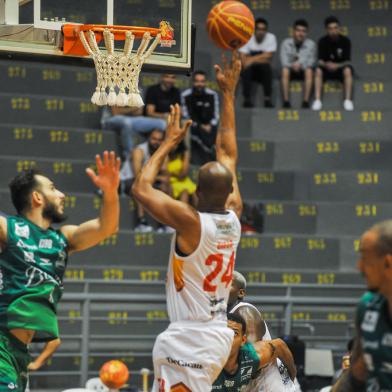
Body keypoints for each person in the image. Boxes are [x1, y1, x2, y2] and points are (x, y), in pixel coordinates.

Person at [132, 52, 243, 391]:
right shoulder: (234, 216)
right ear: (228, 194)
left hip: (190, 339)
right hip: (212, 334)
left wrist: (167, 144)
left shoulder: (191, 222)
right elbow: (227, 153)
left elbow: (140, 188)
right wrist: (227, 95)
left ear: (195, 191)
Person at [0, 151, 120, 392]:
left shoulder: (62, 238)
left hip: (20, 351)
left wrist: (110, 192)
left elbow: (106, 227)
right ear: (37, 197)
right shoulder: (8, 228)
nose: (62, 194)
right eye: (53, 188)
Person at [332, 220, 392, 392]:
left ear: (388, 263)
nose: (359, 267)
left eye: (365, 258)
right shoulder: (367, 308)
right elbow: (357, 373)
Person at [229, 271, 300, 392]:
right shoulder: (223, 318)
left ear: (240, 292)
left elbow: (251, 362)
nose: (221, 288)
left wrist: (290, 380)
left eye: (227, 284)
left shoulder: (244, 311)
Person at [212, 313, 297, 391]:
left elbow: (279, 345)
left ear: (243, 340)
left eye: (234, 333)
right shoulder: (205, 362)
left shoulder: (252, 356)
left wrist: (292, 376)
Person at [120, 129, 170, 232]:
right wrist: (158, 178)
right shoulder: (139, 151)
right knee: (141, 186)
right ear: (148, 139)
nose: (156, 142)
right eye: (154, 139)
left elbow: (166, 175)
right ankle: (141, 222)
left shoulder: (162, 152)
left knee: (166, 187)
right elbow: (138, 175)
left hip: (148, 181)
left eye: (159, 140)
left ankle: (163, 223)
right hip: (127, 181)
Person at [312, 16, 354, 111]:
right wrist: (327, 65)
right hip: (326, 68)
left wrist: (337, 65)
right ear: (326, 30)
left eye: (336, 28)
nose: (333, 31)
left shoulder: (346, 41)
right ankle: (317, 100)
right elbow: (320, 61)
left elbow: (348, 61)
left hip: (340, 69)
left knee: (348, 70)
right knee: (318, 70)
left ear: (339, 28)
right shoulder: (322, 41)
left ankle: (347, 100)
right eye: (330, 29)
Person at [181, 70, 220, 164]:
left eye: (202, 81)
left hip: (210, 126)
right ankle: (207, 157)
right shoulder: (185, 95)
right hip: (194, 126)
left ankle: (213, 157)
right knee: (196, 133)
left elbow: (216, 114)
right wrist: (200, 126)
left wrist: (210, 125)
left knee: (214, 133)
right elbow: (186, 115)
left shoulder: (212, 95)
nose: (199, 84)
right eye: (197, 81)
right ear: (193, 82)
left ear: (205, 82)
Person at [101, 106, 166, 159]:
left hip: (133, 120)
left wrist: (129, 110)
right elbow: (116, 112)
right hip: (111, 119)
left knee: (162, 123)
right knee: (127, 123)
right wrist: (133, 109)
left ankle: (163, 155)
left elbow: (138, 112)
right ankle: (130, 157)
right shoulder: (115, 89)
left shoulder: (137, 90)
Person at [239, 17, 277, 108]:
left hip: (262, 71)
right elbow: (243, 61)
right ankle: (247, 99)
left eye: (263, 29)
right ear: (254, 30)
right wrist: (261, 57)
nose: (261, 32)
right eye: (259, 29)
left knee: (267, 68)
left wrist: (251, 59)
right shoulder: (246, 37)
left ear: (266, 31)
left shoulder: (271, 38)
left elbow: (268, 58)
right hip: (249, 71)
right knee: (246, 69)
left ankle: (267, 99)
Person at [280, 19, 316, 109]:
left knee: (309, 71)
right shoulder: (286, 43)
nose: (301, 33)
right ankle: (286, 101)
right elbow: (284, 61)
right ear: (293, 31)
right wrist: (292, 65)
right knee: (284, 70)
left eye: (304, 31)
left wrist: (300, 65)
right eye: (298, 30)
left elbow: (312, 61)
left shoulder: (311, 44)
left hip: (303, 70)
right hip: (290, 70)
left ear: (307, 33)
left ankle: (305, 102)